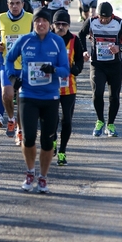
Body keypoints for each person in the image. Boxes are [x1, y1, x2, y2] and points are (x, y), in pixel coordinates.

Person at [5, 7, 69, 193]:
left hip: (50, 97)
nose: (41, 24)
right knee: (29, 137)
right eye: (37, 21)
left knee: (48, 141)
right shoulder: (24, 40)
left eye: (44, 21)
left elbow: (66, 69)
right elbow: (9, 60)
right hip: (28, 96)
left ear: (49, 24)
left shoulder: (57, 42)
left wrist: (54, 70)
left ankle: (43, 177)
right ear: (33, 23)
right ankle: (30, 172)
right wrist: (12, 77)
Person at [78, 2, 122, 138]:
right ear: (97, 15)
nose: (103, 21)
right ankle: (100, 121)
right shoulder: (91, 21)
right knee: (97, 92)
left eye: (107, 18)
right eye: (101, 18)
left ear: (112, 15)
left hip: (114, 65)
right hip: (97, 64)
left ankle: (110, 124)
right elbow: (80, 35)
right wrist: (84, 51)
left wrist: (119, 48)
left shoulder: (119, 23)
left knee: (113, 96)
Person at [0, 0, 33, 144]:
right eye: (11, 3)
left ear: (23, 4)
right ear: (7, 4)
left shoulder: (30, 18)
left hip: (25, 65)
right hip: (6, 63)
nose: (14, 6)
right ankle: (10, 118)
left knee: (21, 97)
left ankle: (20, 129)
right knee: (7, 94)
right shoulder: (1, 18)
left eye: (17, 3)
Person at [52, 10, 84, 166]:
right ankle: (52, 141)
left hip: (68, 88)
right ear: (53, 24)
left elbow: (79, 61)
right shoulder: (46, 39)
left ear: (68, 26)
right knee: (51, 119)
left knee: (66, 120)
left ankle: (62, 151)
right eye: (57, 24)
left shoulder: (74, 40)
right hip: (49, 87)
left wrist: (75, 69)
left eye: (64, 24)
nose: (60, 27)